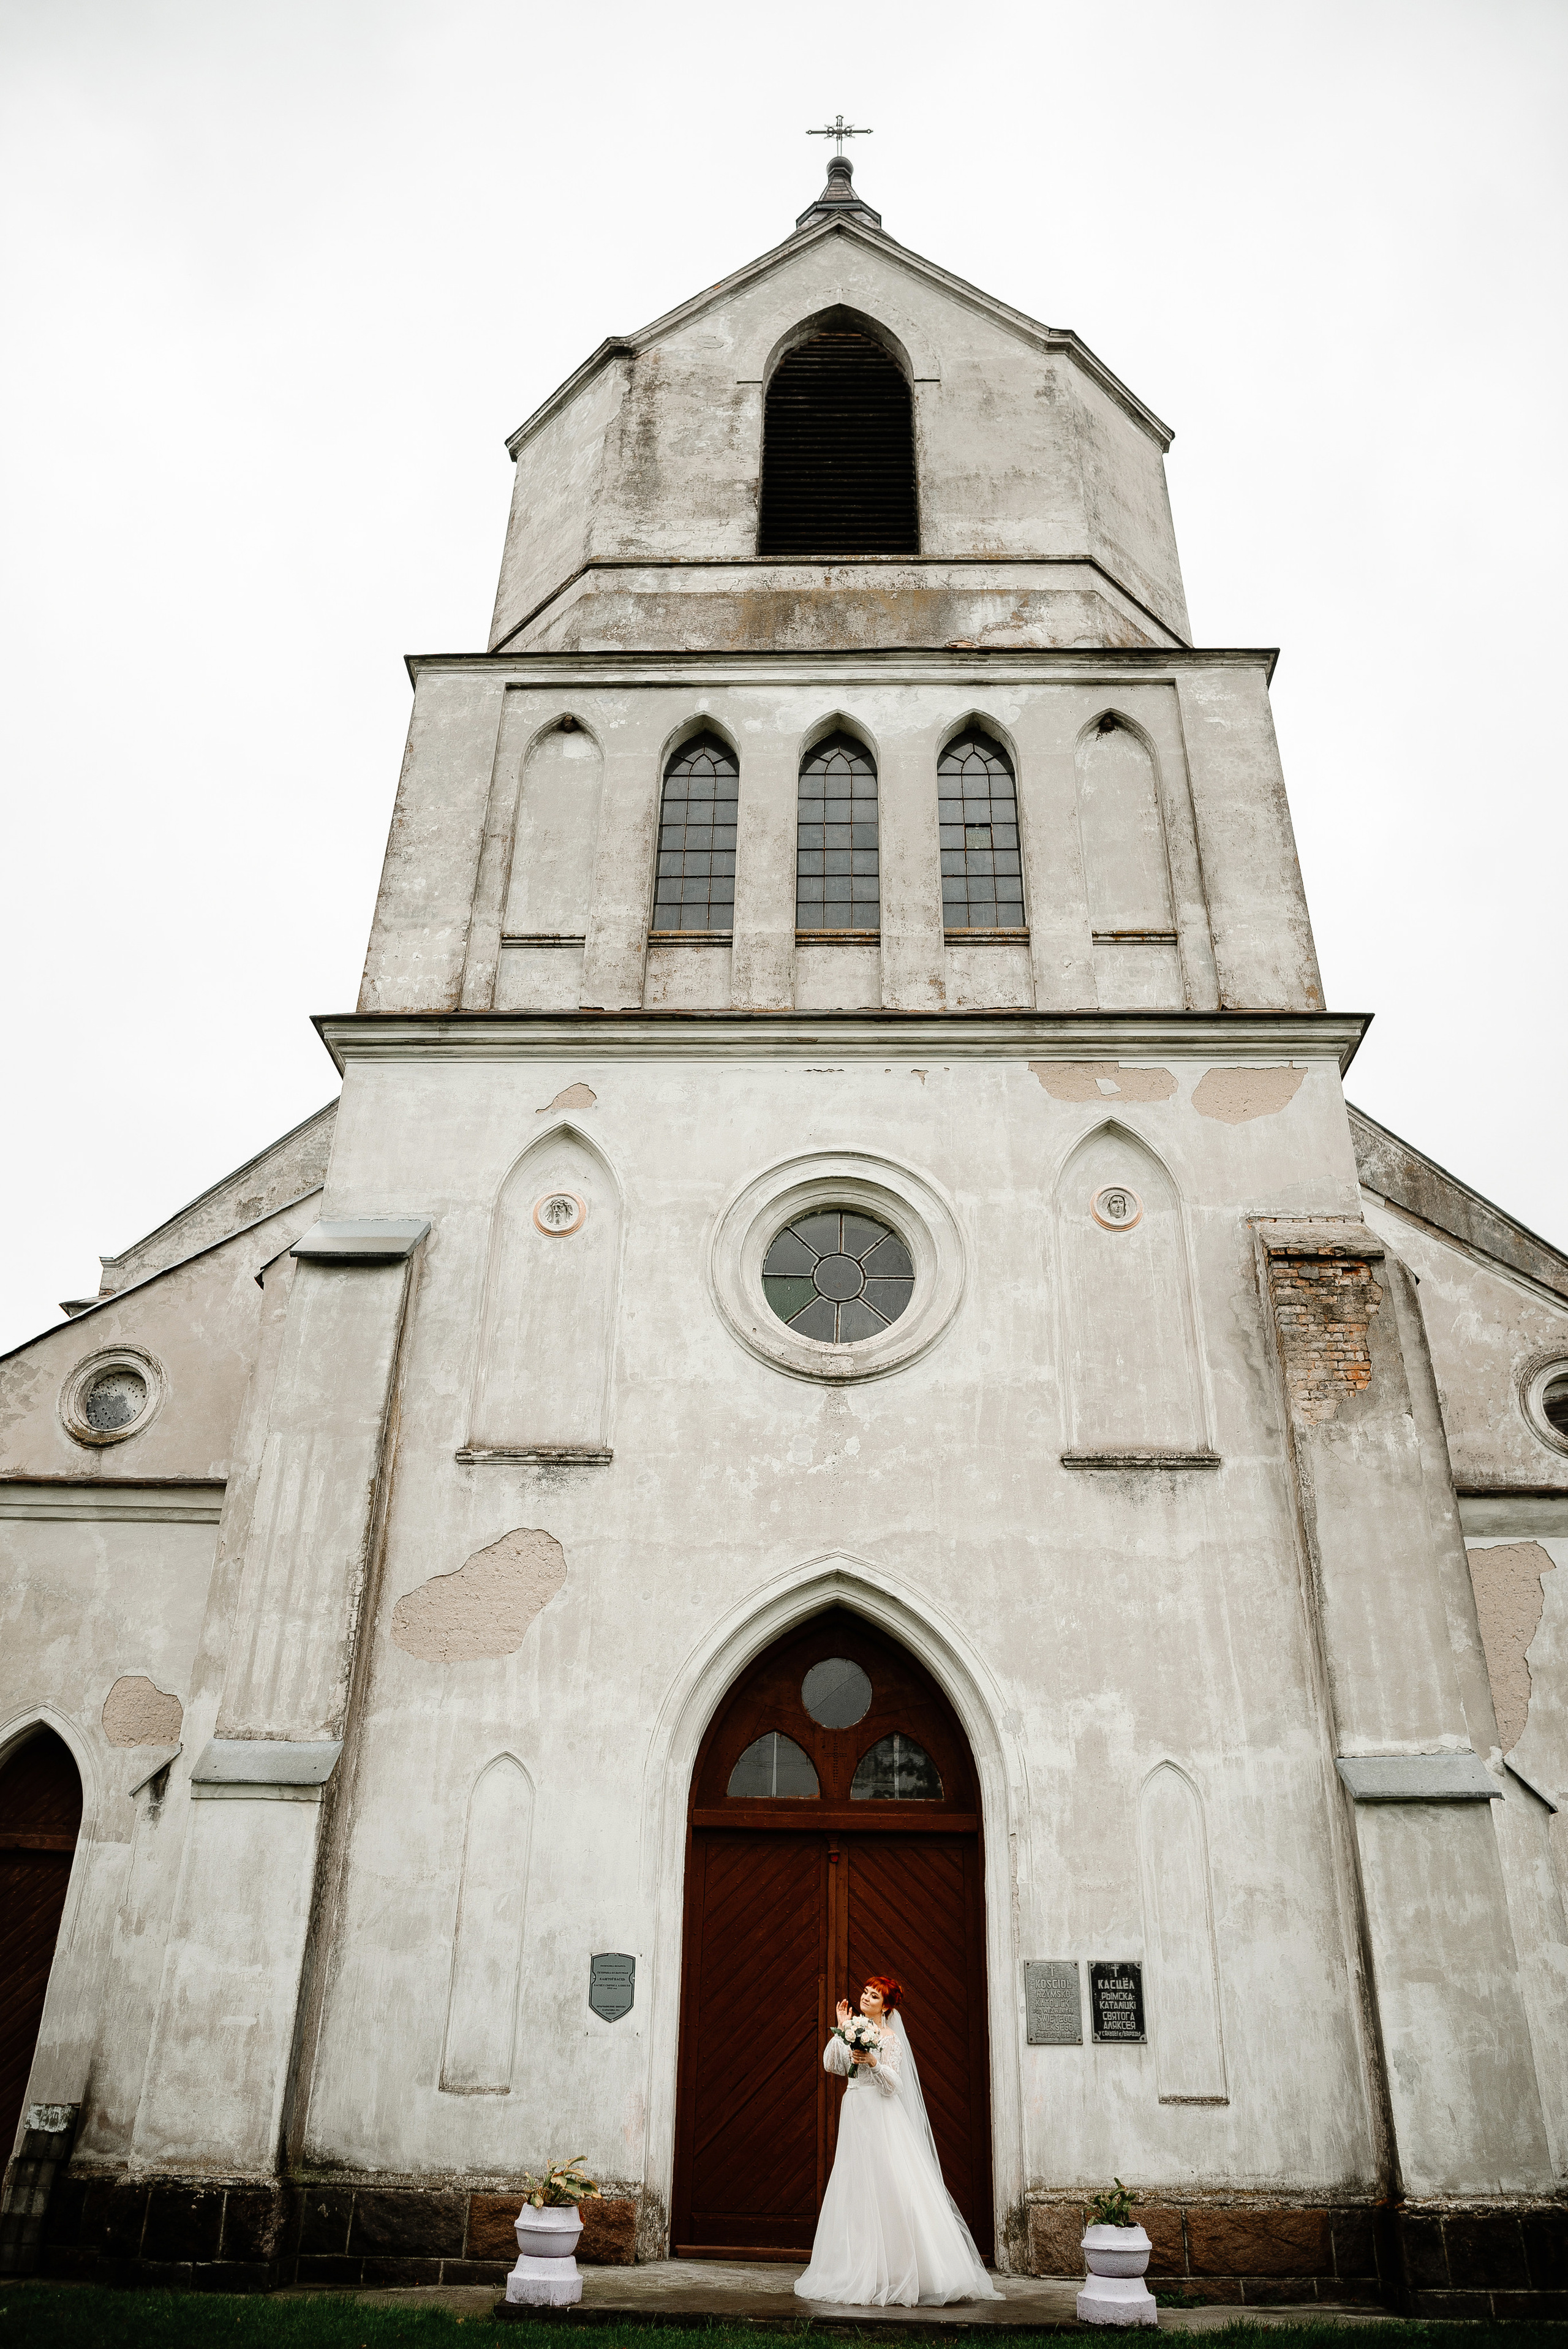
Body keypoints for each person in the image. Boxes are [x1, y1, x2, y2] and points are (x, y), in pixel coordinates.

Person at [794, 1974, 1001, 2307]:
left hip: (881, 2116)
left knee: (891, 2186)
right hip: (855, 2111)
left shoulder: (890, 2038)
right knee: (856, 2186)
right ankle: (859, 2270)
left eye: (875, 1996)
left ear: (887, 2007)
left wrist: (874, 2062)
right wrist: (841, 2027)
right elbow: (831, 2065)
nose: (866, 1998)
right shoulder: (852, 2030)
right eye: (865, 1992)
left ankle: (905, 2271)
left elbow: (893, 2085)